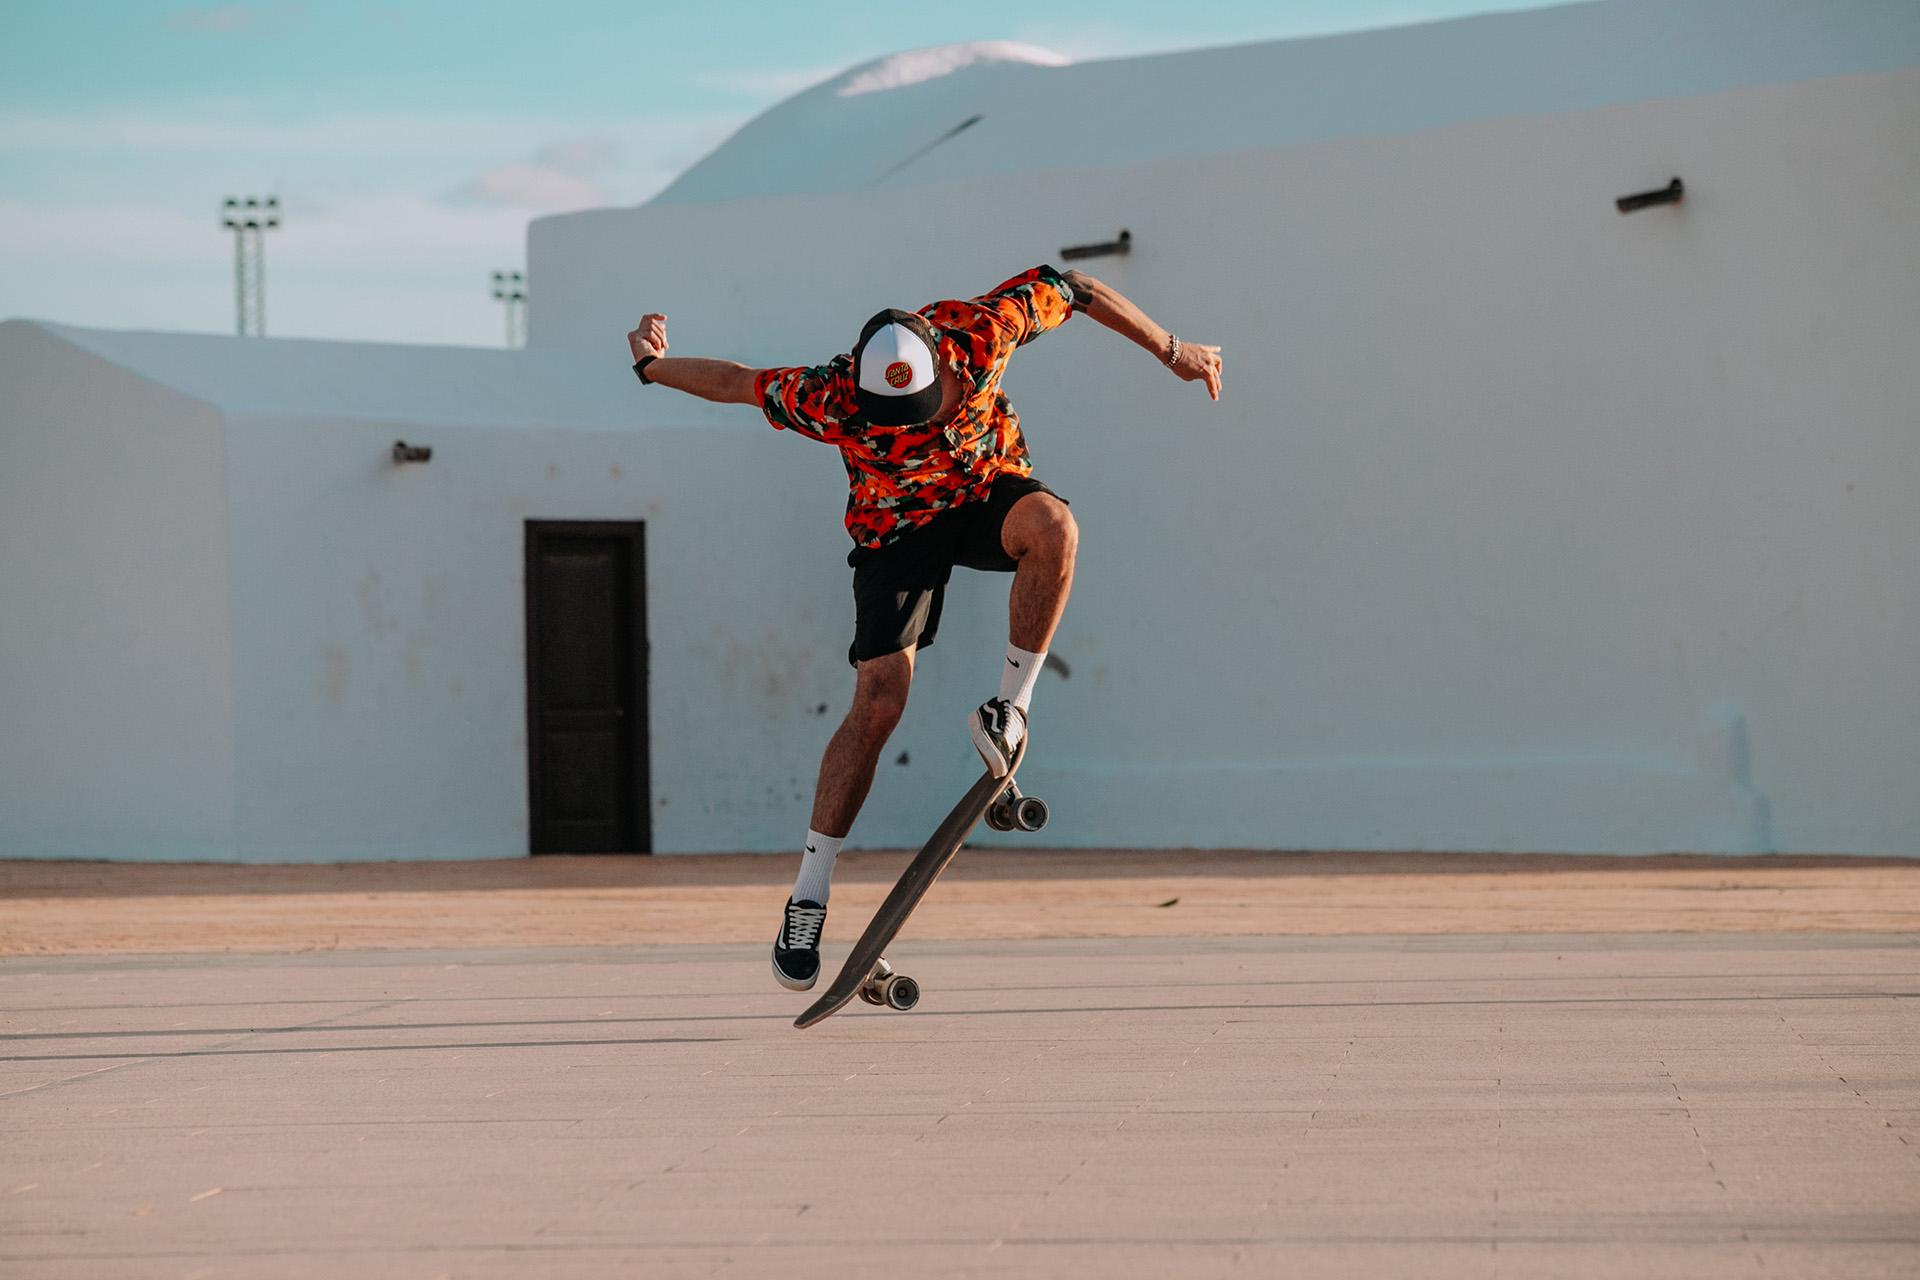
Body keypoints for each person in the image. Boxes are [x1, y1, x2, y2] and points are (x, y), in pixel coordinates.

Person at [625, 265, 1222, 990]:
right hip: (893, 534)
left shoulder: (983, 329)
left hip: (983, 499)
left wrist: (1173, 349)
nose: (925, 426)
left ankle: (1012, 705)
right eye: (901, 422)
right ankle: (809, 891)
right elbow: (734, 381)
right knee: (879, 701)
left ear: (942, 358)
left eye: (931, 408)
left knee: (1054, 527)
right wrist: (652, 367)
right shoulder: (830, 395)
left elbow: (1079, 288)